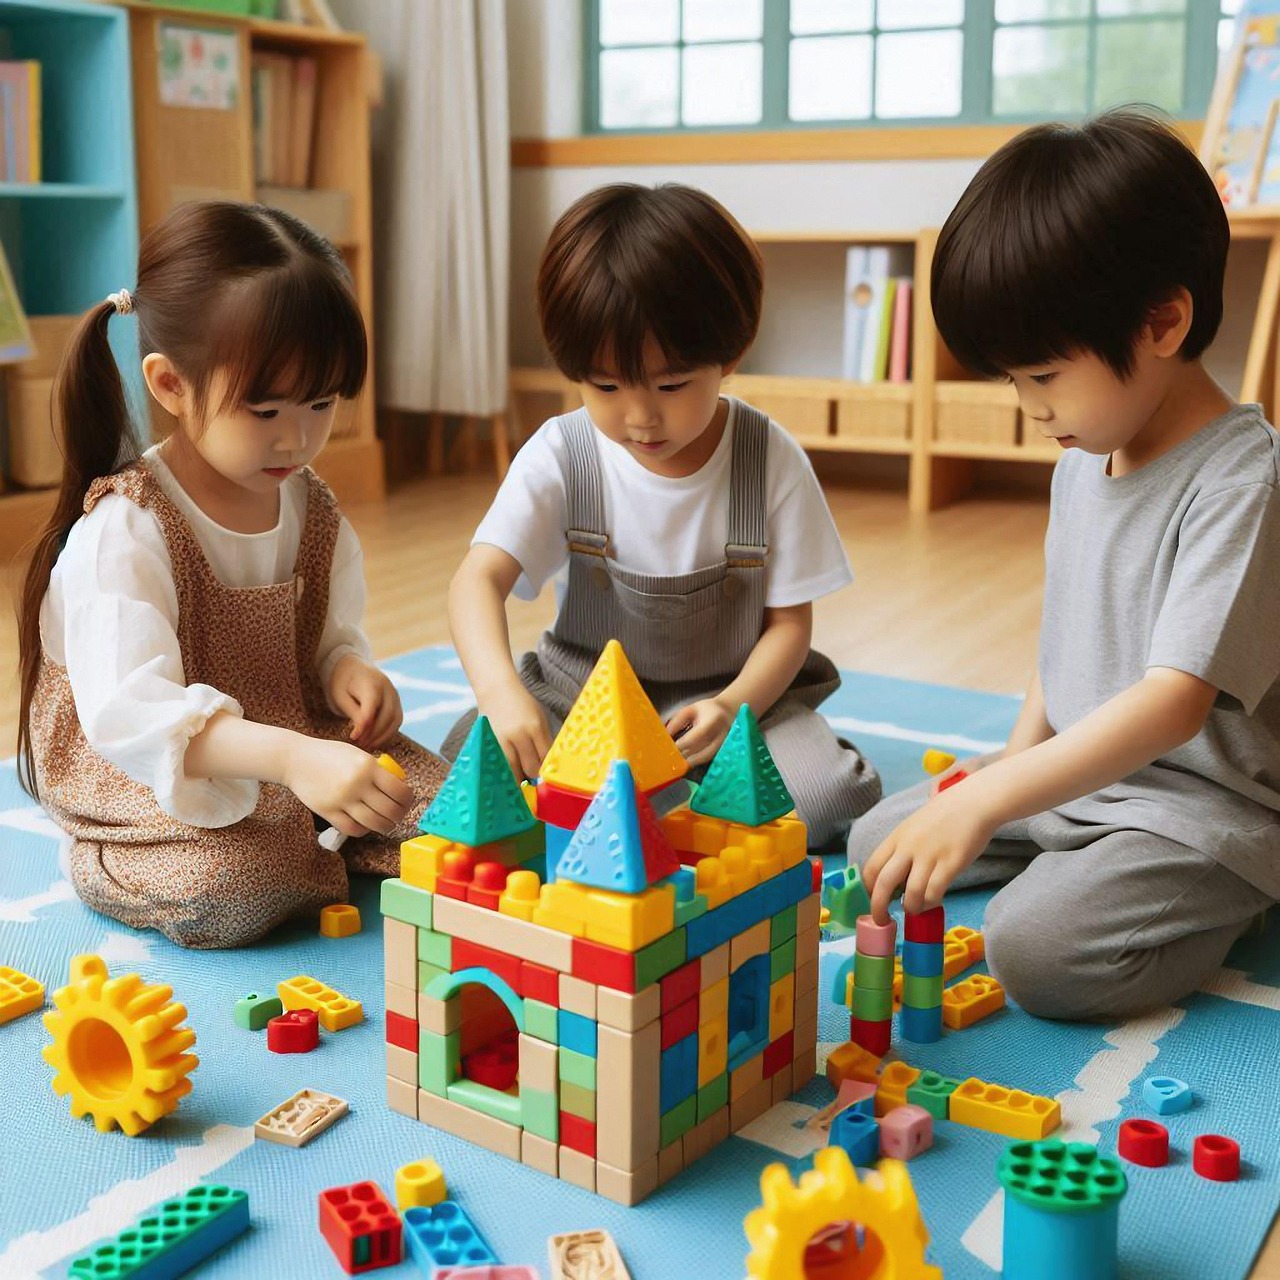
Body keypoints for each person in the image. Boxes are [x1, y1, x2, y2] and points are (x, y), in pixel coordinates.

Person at [849, 110, 1278, 1018]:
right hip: (1082, 782)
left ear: (1162, 321)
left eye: (1042, 375)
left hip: (1195, 811)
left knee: (1033, 951)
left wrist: (996, 796)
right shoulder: (1085, 453)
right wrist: (1005, 772)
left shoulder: (1246, 478)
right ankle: (1067, 858)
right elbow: (1067, 630)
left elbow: (1174, 702)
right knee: (878, 843)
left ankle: (1238, 896)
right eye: (1013, 380)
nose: (1029, 406)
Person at [17, 200, 447, 949]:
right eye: (266, 408)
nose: (299, 435)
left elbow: (329, 639)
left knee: (451, 821)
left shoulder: (313, 508)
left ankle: (305, 817)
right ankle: (102, 854)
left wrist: (349, 671)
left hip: (290, 731)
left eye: (321, 403)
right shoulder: (126, 529)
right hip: (149, 763)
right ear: (172, 386)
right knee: (241, 889)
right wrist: (294, 757)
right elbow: (129, 715)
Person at [447, 183, 881, 847]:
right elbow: (475, 581)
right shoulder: (564, 452)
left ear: (729, 355)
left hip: (730, 697)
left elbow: (791, 626)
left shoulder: (768, 460)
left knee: (826, 798)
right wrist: (500, 693)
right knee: (468, 763)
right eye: (607, 386)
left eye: (671, 385)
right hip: (583, 692)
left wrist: (733, 706)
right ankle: (670, 802)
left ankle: (666, 794)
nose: (641, 416)